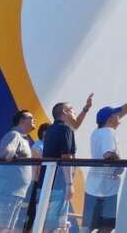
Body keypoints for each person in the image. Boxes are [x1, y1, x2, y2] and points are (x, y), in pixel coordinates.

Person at [84, 91, 127, 233]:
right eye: (116, 114)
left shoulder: (97, 132)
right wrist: (122, 164)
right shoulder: (108, 132)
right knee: (107, 227)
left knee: (88, 226)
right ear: (111, 118)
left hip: (93, 184)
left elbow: (121, 112)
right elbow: (108, 155)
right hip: (106, 188)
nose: (120, 116)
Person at [42, 96, 93, 233]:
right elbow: (66, 157)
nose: (74, 112)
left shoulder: (51, 130)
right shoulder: (65, 130)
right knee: (53, 224)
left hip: (49, 182)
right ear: (65, 111)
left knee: (54, 223)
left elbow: (75, 124)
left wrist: (85, 109)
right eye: (72, 110)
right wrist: (69, 184)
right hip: (59, 184)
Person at [0, 109, 36, 233]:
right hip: (7, 191)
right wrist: (10, 154)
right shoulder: (14, 135)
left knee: (4, 227)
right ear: (22, 120)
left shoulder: (23, 138)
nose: (34, 120)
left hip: (15, 192)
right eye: (31, 117)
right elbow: (6, 152)